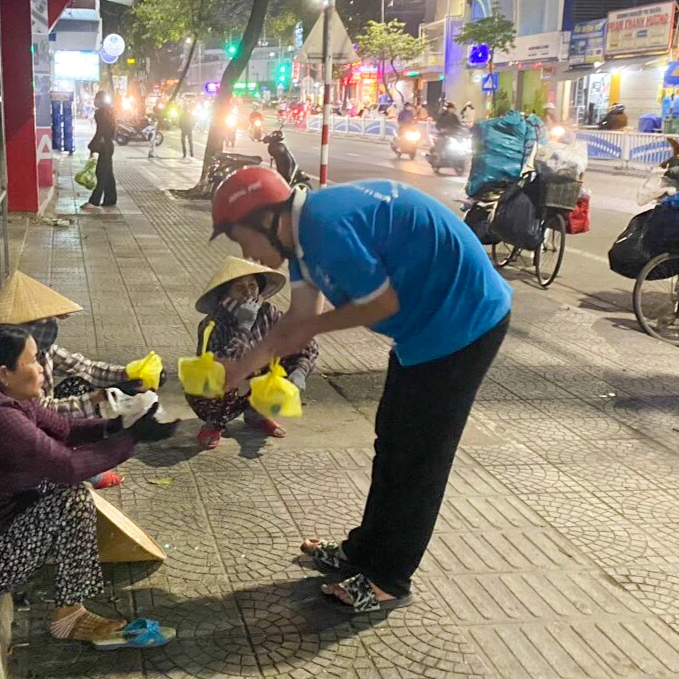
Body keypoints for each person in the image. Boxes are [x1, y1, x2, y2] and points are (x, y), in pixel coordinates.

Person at [209, 168, 511, 614]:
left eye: (241, 240)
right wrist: (240, 370)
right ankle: (363, 552)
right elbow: (294, 324)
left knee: (418, 457)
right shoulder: (303, 244)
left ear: (265, 220)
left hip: (463, 322)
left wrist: (313, 327)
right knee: (391, 440)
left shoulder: (324, 227)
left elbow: (380, 304)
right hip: (426, 327)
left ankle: (389, 577)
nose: (246, 253)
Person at [0, 324, 177, 648]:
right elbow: (67, 466)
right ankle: (70, 617)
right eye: (33, 360)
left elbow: (66, 429)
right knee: (70, 499)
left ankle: (68, 597)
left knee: (54, 486)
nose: (42, 368)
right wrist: (132, 438)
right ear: (5, 373)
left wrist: (120, 424)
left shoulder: (7, 398)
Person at [0, 271, 161, 490]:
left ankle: (85, 465)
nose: (50, 325)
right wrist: (123, 429)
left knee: (78, 385)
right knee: (75, 497)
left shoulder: (39, 351)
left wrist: (129, 374)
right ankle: (83, 470)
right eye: (42, 321)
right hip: (2, 495)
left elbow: (84, 368)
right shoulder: (1, 402)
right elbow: (43, 415)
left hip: (37, 419)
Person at [186, 257, 319, 450]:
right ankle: (214, 424)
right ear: (225, 295)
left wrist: (299, 372)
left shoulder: (268, 312)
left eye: (252, 286)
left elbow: (304, 342)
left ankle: (256, 414)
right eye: (240, 288)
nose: (248, 293)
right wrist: (244, 324)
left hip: (254, 379)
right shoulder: (213, 324)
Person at [83, 92, 117, 210]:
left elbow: (100, 131)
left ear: (100, 100)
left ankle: (94, 201)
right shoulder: (110, 111)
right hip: (109, 145)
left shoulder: (101, 113)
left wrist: (94, 147)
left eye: (96, 99)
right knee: (107, 173)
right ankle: (110, 199)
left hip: (103, 146)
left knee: (101, 173)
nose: (94, 101)